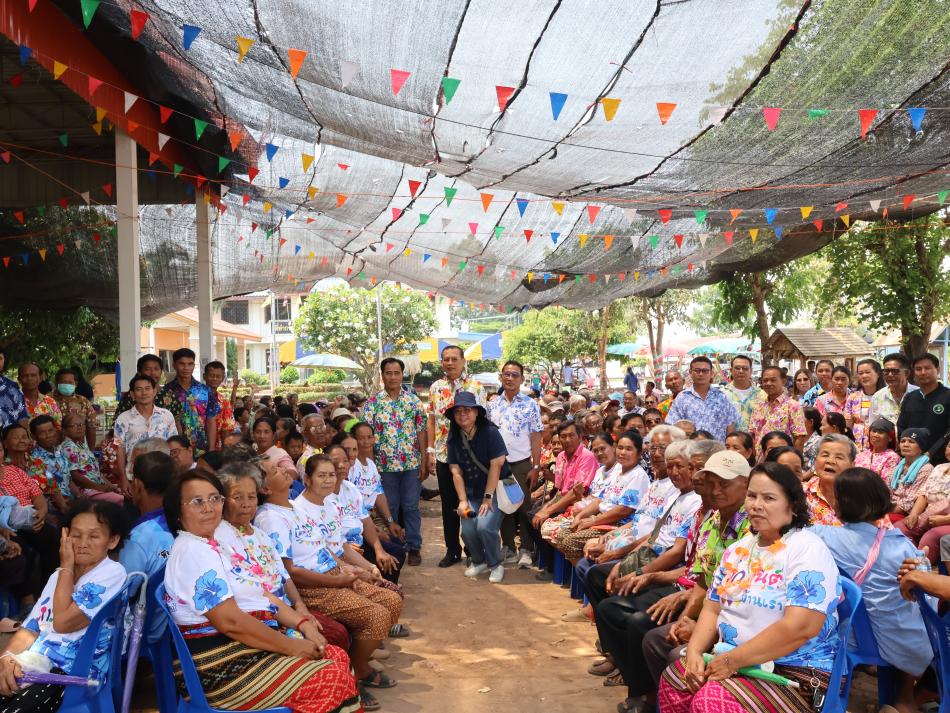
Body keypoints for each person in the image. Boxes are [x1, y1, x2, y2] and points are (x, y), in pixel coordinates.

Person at [162, 470, 361, 713]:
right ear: (178, 512)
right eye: (197, 501)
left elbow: (259, 594)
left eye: (214, 498)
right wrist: (291, 646)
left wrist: (302, 623)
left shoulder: (214, 544)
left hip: (243, 649)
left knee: (336, 656)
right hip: (221, 667)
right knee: (331, 678)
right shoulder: (193, 551)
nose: (208, 507)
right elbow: (230, 622)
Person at [659, 462, 841, 713]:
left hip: (793, 670)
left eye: (769, 498)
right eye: (752, 495)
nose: (756, 505)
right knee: (676, 678)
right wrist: (694, 652)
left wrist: (732, 661)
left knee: (712, 702)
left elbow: (801, 627)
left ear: (793, 505)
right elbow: (712, 609)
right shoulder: (739, 550)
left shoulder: (807, 549)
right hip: (732, 658)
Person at [592, 445, 728, 711]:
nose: (696, 476)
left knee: (641, 623)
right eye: (693, 469)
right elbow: (691, 565)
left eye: (699, 469)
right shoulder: (701, 512)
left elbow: (698, 573)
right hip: (683, 583)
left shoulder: (730, 519)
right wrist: (645, 573)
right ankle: (629, 673)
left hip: (696, 593)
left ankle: (647, 695)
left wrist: (653, 577)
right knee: (609, 605)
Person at [282, 455, 402, 703]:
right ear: (307, 479)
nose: (328, 480)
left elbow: (330, 548)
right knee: (377, 614)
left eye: (331, 475)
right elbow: (292, 568)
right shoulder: (296, 511)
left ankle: (359, 665)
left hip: (336, 571)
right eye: (321, 475)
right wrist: (345, 574)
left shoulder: (330, 504)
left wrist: (356, 569)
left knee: (392, 598)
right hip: (313, 584)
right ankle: (356, 674)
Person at [813, 467, 932, 713]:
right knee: (912, 615)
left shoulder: (822, 536)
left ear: (839, 504)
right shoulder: (902, 547)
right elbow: (926, 597)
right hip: (897, 643)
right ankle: (906, 699)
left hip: (845, 635)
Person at [0, 499, 129, 711]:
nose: (83, 543)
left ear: (112, 540)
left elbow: (62, 623)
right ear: (65, 536)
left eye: (94, 536)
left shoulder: (112, 574)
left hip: (74, 672)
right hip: (36, 663)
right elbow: (31, 628)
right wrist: (6, 658)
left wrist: (66, 566)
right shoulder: (58, 577)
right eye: (76, 535)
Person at [360, 358, 427, 567]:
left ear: (402, 375)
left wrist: (424, 460)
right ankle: (396, 546)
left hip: (411, 465)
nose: (392, 377)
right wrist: (370, 467)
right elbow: (366, 438)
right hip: (383, 467)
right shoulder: (372, 404)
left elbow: (421, 431)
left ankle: (414, 546)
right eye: (388, 373)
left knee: (411, 506)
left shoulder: (413, 402)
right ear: (382, 376)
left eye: (396, 373)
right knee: (389, 508)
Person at [425, 345, 485, 568]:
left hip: (470, 456)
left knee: (471, 502)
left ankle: (472, 550)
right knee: (449, 505)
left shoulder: (476, 387)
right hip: (443, 455)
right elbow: (432, 420)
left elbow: (482, 421)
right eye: (446, 359)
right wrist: (430, 451)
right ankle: (452, 551)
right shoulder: (436, 387)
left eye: (454, 359)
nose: (449, 363)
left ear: (463, 361)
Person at [555, 431, 650, 564]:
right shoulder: (617, 472)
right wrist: (580, 517)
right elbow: (599, 500)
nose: (623, 452)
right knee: (562, 534)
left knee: (570, 541)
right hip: (602, 518)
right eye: (620, 448)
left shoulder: (638, 475)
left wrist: (592, 521)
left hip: (618, 524)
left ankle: (586, 571)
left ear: (639, 453)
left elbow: (624, 510)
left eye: (629, 449)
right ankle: (582, 568)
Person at [443, 391, 508, 584]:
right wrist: (463, 501)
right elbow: (455, 471)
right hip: (471, 493)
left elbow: (497, 465)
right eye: (458, 411)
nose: (462, 414)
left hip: (495, 492)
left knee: (485, 527)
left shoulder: (490, 432)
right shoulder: (454, 437)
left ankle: (496, 564)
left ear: (476, 412)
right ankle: (479, 561)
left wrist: (488, 497)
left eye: (467, 410)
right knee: (468, 530)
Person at [487, 360, 543, 568]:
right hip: (499, 465)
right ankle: (509, 547)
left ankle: (526, 549)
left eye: (515, 375)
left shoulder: (530, 405)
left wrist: (536, 466)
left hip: (521, 464)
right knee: (505, 505)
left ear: (522, 379)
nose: (510, 378)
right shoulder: (492, 406)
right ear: (501, 377)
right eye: (507, 374)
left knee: (524, 506)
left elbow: (536, 436)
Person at [530, 421, 599, 530]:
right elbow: (560, 490)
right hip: (562, 500)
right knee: (531, 516)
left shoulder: (587, 457)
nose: (567, 440)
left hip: (577, 503)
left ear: (579, 437)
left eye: (571, 435)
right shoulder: (561, 456)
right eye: (563, 436)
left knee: (539, 521)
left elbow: (575, 493)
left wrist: (548, 511)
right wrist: (545, 508)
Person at [156, 347, 220, 456]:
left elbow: (211, 421)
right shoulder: (165, 392)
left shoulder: (205, 390)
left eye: (190, 364)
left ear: (194, 365)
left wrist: (212, 448)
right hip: (174, 450)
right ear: (174, 365)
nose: (186, 368)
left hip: (202, 449)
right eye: (182, 364)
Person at [665, 358, 738, 442]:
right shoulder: (682, 398)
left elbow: (730, 424)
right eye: (697, 370)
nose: (701, 374)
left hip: (717, 448)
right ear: (690, 373)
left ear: (711, 373)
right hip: (691, 448)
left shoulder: (722, 397)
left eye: (705, 371)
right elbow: (672, 425)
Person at [60, 413, 124, 504]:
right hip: (85, 491)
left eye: (82, 424)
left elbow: (96, 473)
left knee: (123, 493)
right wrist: (100, 488)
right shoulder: (68, 447)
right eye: (74, 425)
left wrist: (111, 487)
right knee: (121, 499)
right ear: (64, 430)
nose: (80, 428)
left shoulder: (82, 445)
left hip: (97, 487)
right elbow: (74, 476)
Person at [898, 354, 950, 464]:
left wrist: (931, 452)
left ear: (937, 370)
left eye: (927, 368)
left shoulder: (947, 396)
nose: (923, 372)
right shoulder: (909, 397)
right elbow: (902, 426)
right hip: (912, 459)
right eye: (918, 369)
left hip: (940, 459)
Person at [748, 365, 806, 455]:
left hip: (782, 459)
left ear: (783, 381)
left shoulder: (793, 406)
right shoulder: (758, 406)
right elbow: (752, 433)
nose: (768, 383)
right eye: (765, 380)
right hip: (760, 459)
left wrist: (794, 460)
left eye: (773, 380)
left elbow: (799, 437)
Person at [805, 434, 857, 525]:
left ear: (852, 465)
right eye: (825, 455)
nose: (831, 461)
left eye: (839, 457)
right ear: (815, 460)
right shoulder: (800, 494)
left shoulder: (862, 496)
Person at [888, 428, 934, 522]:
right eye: (903, 441)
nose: (905, 444)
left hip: (907, 514)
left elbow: (910, 501)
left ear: (921, 448)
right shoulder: (898, 466)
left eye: (911, 441)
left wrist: (883, 511)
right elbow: (887, 490)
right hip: (890, 508)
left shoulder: (926, 468)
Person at [29, 415, 72, 515]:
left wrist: (79, 496)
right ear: (33, 436)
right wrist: (64, 507)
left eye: (50, 430)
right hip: (53, 509)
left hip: (70, 501)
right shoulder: (34, 460)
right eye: (42, 432)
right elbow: (49, 490)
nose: (48, 435)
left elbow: (68, 479)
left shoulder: (59, 452)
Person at [871, 352, 920, 426]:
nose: (890, 375)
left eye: (895, 371)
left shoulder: (920, 395)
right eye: (886, 371)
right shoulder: (877, 397)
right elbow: (873, 426)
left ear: (907, 373)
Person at [52, 368, 97, 448]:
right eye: (64, 382)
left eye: (70, 382)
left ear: (75, 384)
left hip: (78, 450)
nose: (67, 384)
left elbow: (91, 427)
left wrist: (91, 450)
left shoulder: (83, 402)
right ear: (57, 383)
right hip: (54, 449)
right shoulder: (48, 401)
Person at [844, 359, 884, 449]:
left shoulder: (886, 397)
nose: (864, 376)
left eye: (867, 372)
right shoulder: (852, 398)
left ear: (878, 374)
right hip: (856, 446)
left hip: (880, 445)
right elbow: (848, 426)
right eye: (860, 373)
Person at [721, 356, 765, 432]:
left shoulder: (762, 395)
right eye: (737, 368)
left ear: (751, 371)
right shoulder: (722, 394)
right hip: (728, 439)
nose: (741, 371)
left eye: (745, 368)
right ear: (731, 370)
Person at [204, 361, 238, 451]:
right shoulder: (195, 398)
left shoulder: (224, 402)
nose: (215, 378)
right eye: (212, 375)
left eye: (218, 376)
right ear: (204, 376)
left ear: (222, 378)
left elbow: (227, 429)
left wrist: (225, 453)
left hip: (217, 450)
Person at [18, 363, 61, 429]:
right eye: (25, 376)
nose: (29, 378)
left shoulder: (50, 402)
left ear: (40, 378)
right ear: (19, 379)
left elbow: (58, 427)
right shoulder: (13, 402)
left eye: (33, 375)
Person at [0, 349, 28, 430]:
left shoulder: (12, 386)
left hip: (12, 436)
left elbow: (22, 415)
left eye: (0, 358)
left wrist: (21, 435)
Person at [801, 407, 822, 472]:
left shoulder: (818, 442)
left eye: (800, 418)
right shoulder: (793, 438)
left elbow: (814, 467)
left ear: (811, 422)